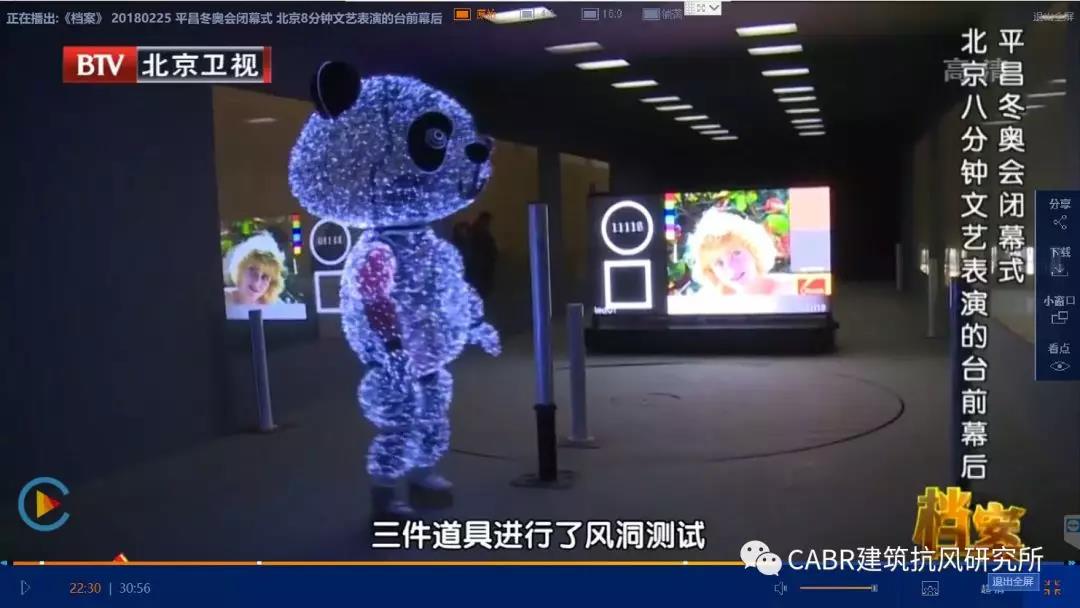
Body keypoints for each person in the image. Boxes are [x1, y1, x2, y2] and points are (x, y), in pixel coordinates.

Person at [688, 208, 781, 296]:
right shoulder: (707, 304)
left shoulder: (784, 290)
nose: (730, 269)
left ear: (755, 251)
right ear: (711, 271)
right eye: (719, 263)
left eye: (736, 253)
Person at [223, 232, 287, 307]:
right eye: (253, 271)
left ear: (271, 283)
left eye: (265, 277)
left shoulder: (278, 307)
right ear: (239, 269)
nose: (257, 282)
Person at [469, 211, 497, 298]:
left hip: (482, 262)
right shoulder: (479, 231)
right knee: (482, 284)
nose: (488, 223)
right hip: (481, 262)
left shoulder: (477, 230)